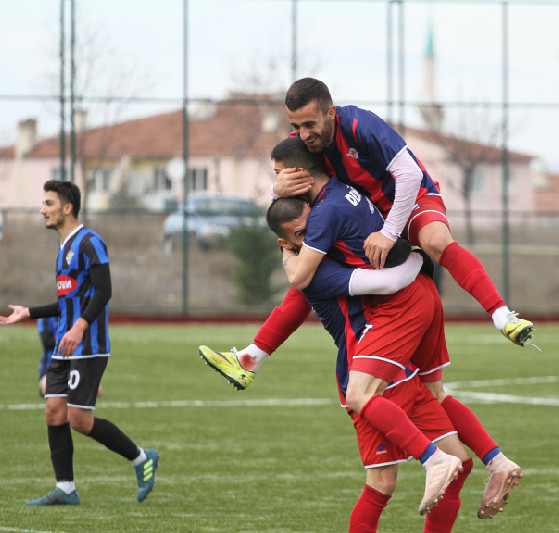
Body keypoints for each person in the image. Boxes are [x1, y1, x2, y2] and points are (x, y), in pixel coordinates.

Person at [202, 137, 522, 519]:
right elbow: (295, 293)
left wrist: (290, 253)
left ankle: (432, 459)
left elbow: (307, 283)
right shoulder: (340, 194)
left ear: (301, 175)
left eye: (279, 172)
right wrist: (419, 259)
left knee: (376, 460)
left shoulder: (317, 259)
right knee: (447, 428)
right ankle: (495, 459)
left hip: (379, 337)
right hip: (414, 314)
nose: (279, 180)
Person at [274, 77, 535, 345]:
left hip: (410, 199)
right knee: (310, 272)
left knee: (436, 241)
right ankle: (255, 354)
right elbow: (283, 206)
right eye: (296, 126)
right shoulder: (301, 145)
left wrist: (389, 233)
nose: (303, 134)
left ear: (330, 113)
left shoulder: (360, 124)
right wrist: (277, 189)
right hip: (365, 214)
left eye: (309, 124)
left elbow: (410, 174)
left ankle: (502, 316)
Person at [0, 180, 159, 506]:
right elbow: (66, 303)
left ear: (67, 208)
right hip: (64, 345)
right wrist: (29, 312)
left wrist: (80, 327)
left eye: (49, 203)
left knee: (79, 420)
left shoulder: (89, 242)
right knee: (53, 411)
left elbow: (104, 291)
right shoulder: (63, 248)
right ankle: (66, 488)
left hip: (88, 346)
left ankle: (142, 458)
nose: (42, 210)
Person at [37, 316, 57, 396]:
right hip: (50, 366)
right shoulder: (46, 317)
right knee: (48, 390)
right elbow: (47, 342)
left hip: (74, 364)